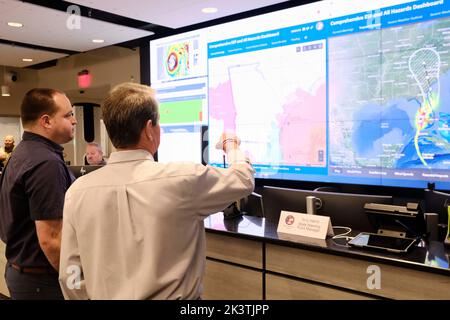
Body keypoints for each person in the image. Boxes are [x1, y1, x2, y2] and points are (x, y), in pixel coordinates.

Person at [59, 82, 254, 300]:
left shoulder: (77, 192)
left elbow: (70, 274)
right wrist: (231, 145)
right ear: (149, 129)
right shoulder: (183, 179)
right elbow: (243, 178)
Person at [0, 88, 77, 299]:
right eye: (68, 115)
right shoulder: (45, 163)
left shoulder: (22, 153)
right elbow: (51, 239)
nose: (74, 121)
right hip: (42, 281)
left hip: (23, 272)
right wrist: (77, 281)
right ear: (46, 121)